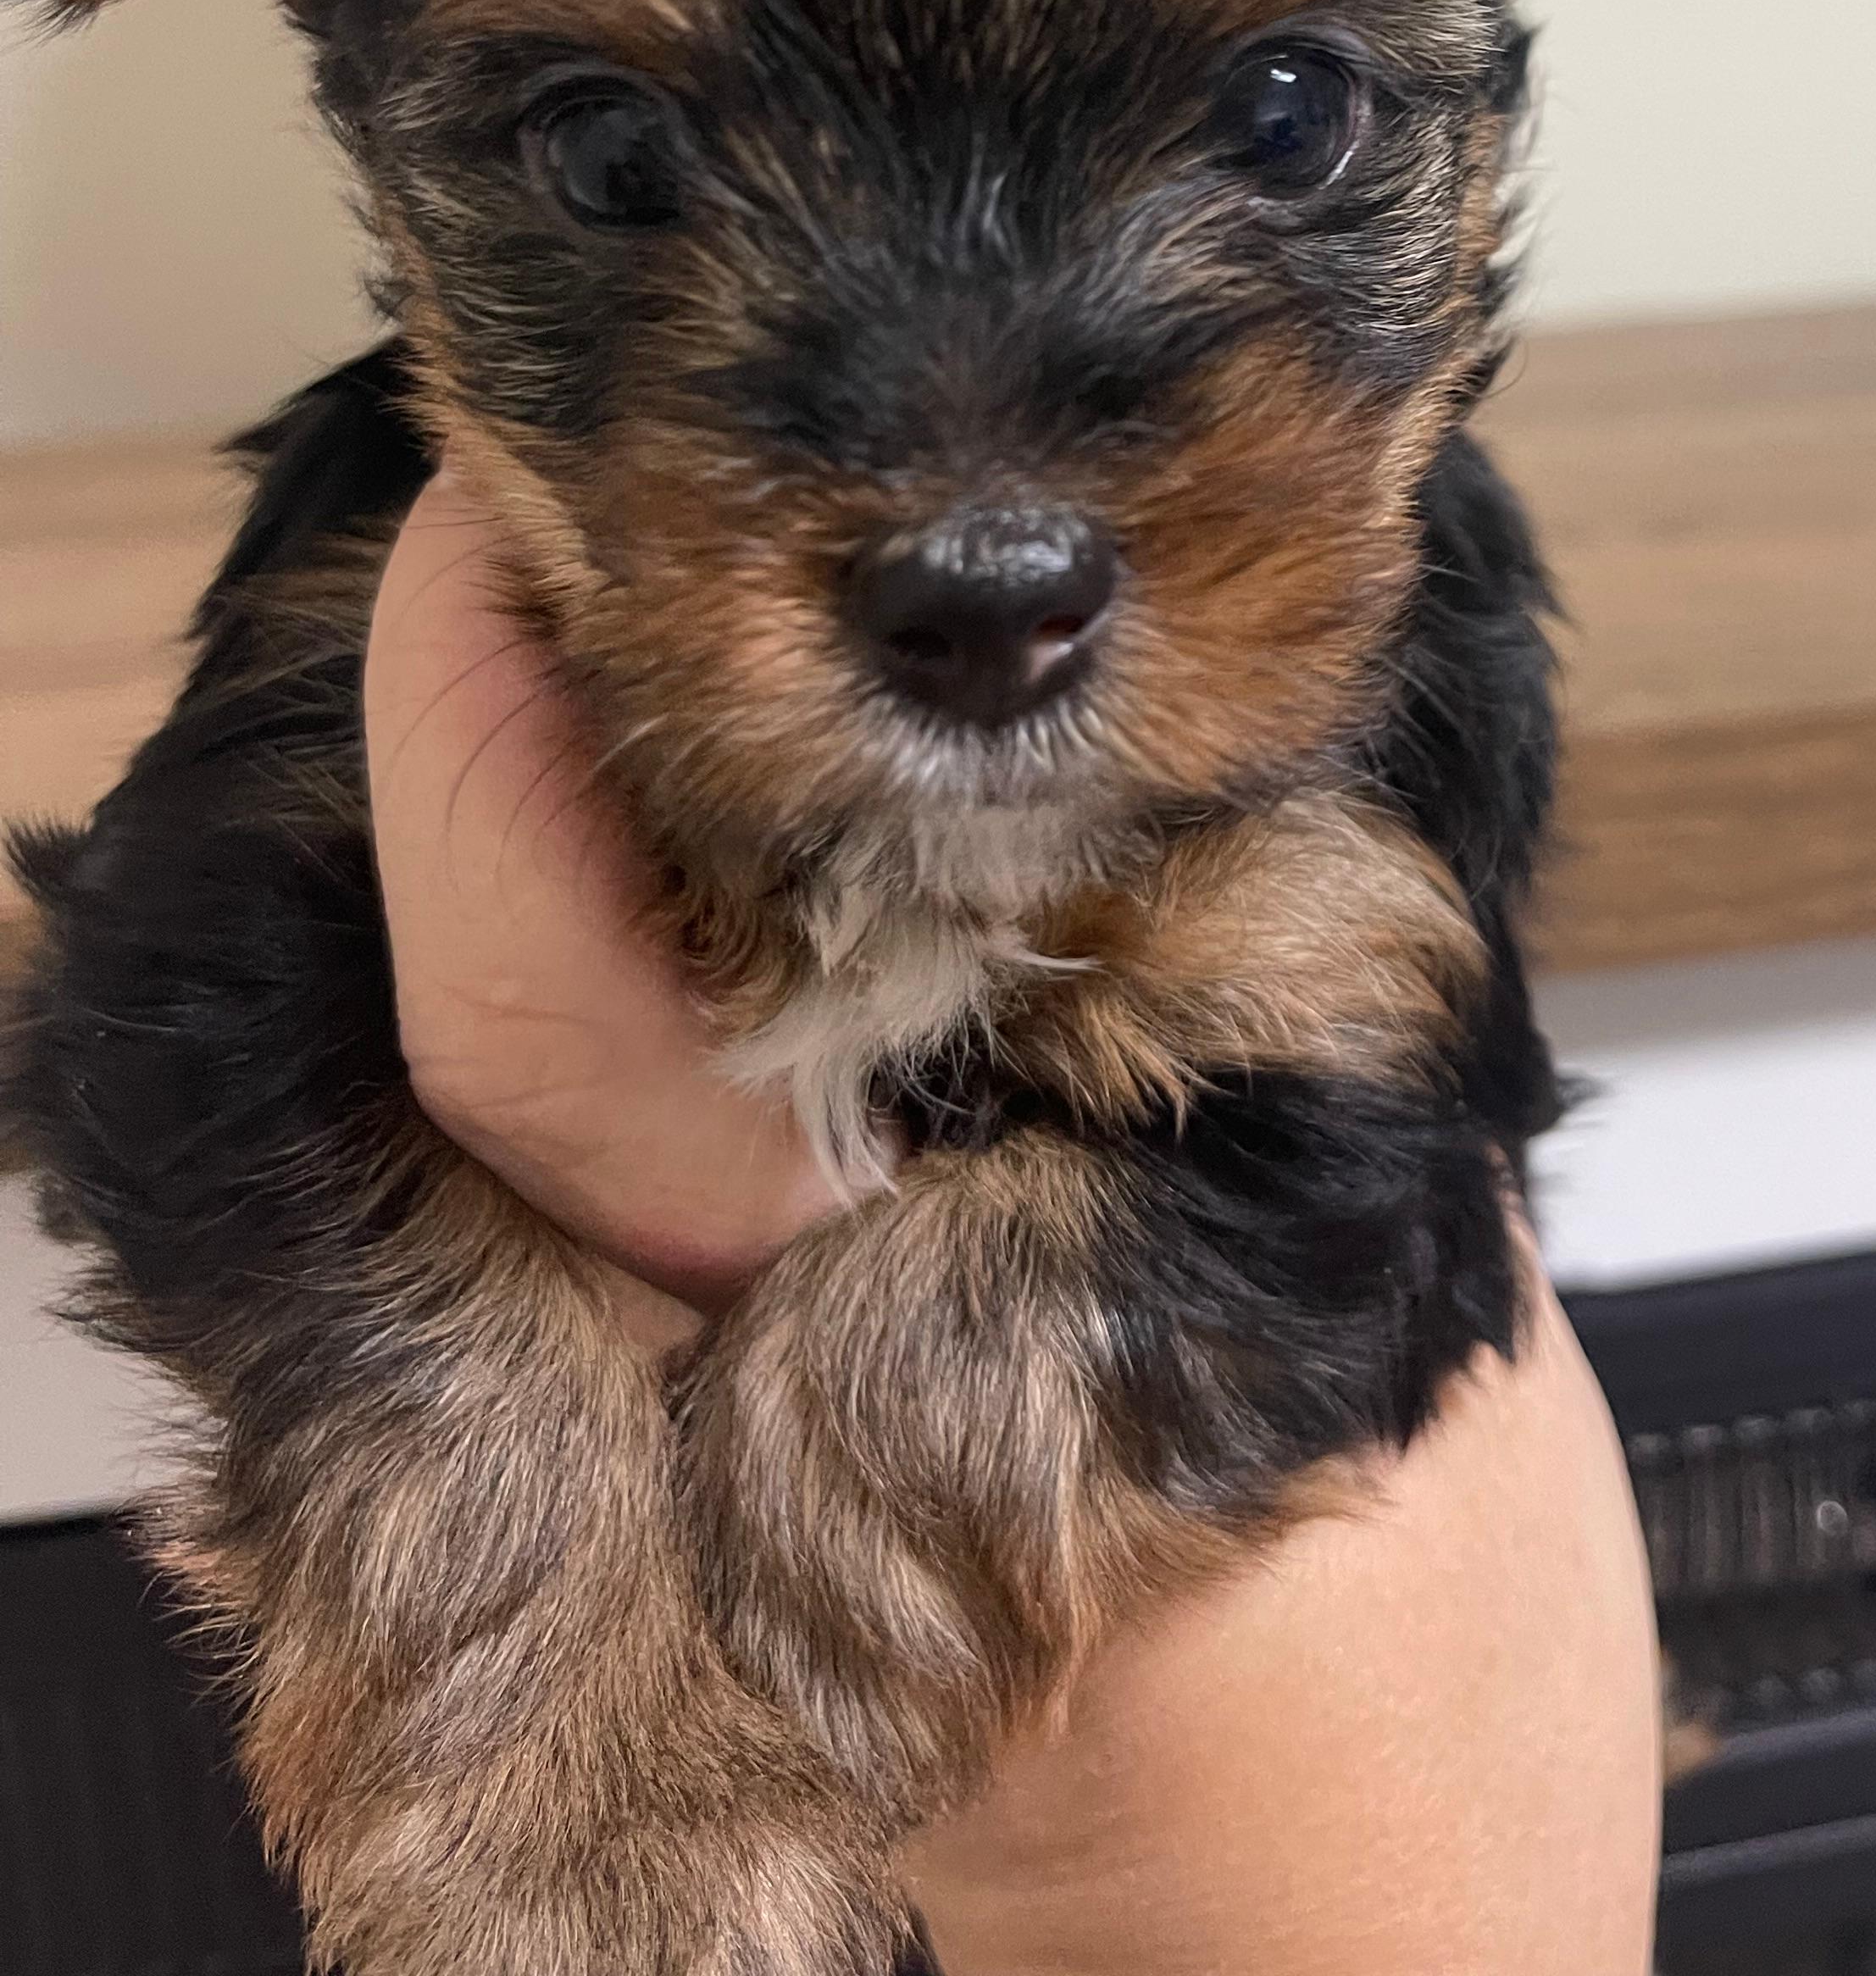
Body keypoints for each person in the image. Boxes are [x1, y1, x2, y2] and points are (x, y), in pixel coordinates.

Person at [365, 469, 1664, 1976]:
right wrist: (537, 1665)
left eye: (1258, 207)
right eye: (654, 208)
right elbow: (189, 1032)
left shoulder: (1403, 686)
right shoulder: (394, 601)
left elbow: (1364, 1167)